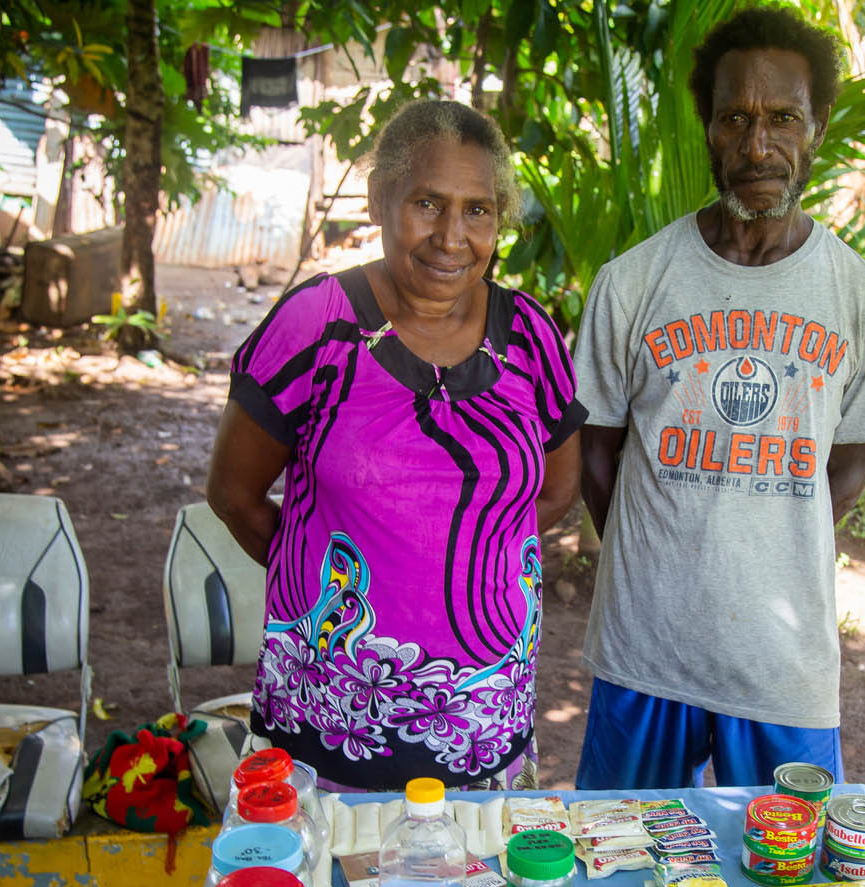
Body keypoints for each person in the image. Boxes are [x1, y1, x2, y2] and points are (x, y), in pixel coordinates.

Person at [574, 7, 865, 790]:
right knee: (619, 864)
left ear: (818, 126)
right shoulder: (632, 283)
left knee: (787, 878)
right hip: (642, 654)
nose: (759, 146)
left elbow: (850, 467)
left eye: (784, 118)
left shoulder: (863, 300)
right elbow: (596, 452)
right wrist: (657, 565)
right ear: (709, 129)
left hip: (782, 666)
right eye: (736, 119)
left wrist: (767, 545)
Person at [207, 100, 585, 792]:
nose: (451, 236)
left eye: (478, 210)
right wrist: (331, 579)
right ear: (382, 200)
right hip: (330, 726)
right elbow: (233, 493)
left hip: (484, 727)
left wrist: (473, 564)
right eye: (427, 203)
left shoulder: (528, 336)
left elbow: (556, 490)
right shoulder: (316, 325)